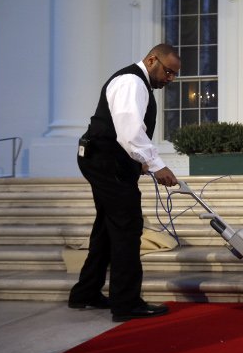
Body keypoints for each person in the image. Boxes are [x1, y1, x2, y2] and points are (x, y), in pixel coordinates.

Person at [68, 44, 181, 322]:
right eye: (168, 72)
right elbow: (130, 130)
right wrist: (157, 165)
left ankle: (85, 293)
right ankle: (127, 303)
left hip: (103, 159)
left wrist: (140, 161)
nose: (170, 79)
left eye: (174, 75)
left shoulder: (136, 82)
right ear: (152, 60)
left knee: (108, 228)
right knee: (127, 228)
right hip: (106, 162)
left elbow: (123, 132)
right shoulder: (132, 81)